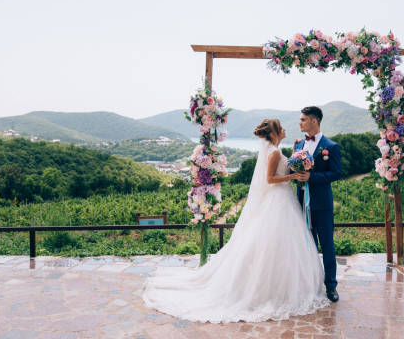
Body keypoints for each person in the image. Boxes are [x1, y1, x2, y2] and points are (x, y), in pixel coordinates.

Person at [142, 119, 329, 323]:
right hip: (279, 199)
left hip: (282, 199)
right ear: (274, 133)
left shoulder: (274, 149)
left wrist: (294, 155)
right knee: (278, 242)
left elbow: (277, 170)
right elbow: (270, 179)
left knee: (278, 244)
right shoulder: (274, 152)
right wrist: (292, 177)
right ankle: (275, 291)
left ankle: (274, 287)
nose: (284, 129)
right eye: (281, 128)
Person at [293, 106, 342, 302]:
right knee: (307, 246)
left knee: (327, 246)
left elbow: (336, 173)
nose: (300, 122)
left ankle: (331, 286)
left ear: (314, 121)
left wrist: (311, 177)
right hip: (300, 203)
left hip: (322, 204)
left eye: (303, 119)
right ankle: (309, 284)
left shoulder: (331, 147)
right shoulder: (298, 147)